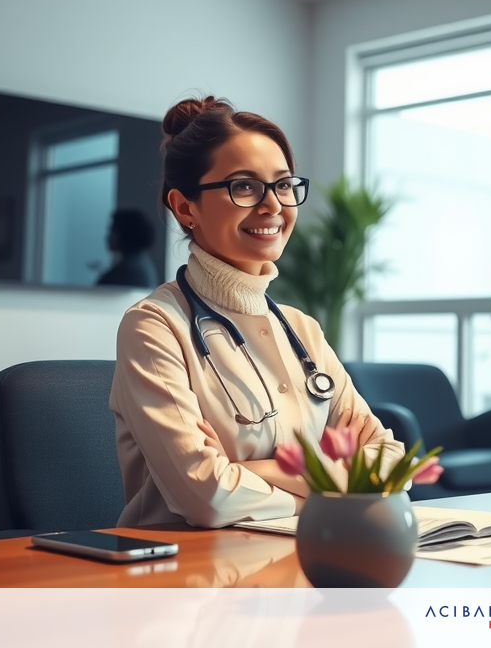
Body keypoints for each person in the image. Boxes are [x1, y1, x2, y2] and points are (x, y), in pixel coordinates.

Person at [110, 96, 403, 528]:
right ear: (185, 207)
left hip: (297, 560)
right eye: (244, 186)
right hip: (186, 574)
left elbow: (390, 462)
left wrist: (244, 471)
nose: (273, 205)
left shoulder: (302, 329)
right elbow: (207, 497)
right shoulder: (155, 326)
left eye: (283, 185)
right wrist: (336, 480)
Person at [97, 209, 159, 288]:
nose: (108, 236)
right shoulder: (141, 262)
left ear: (124, 234)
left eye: (112, 230)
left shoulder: (127, 269)